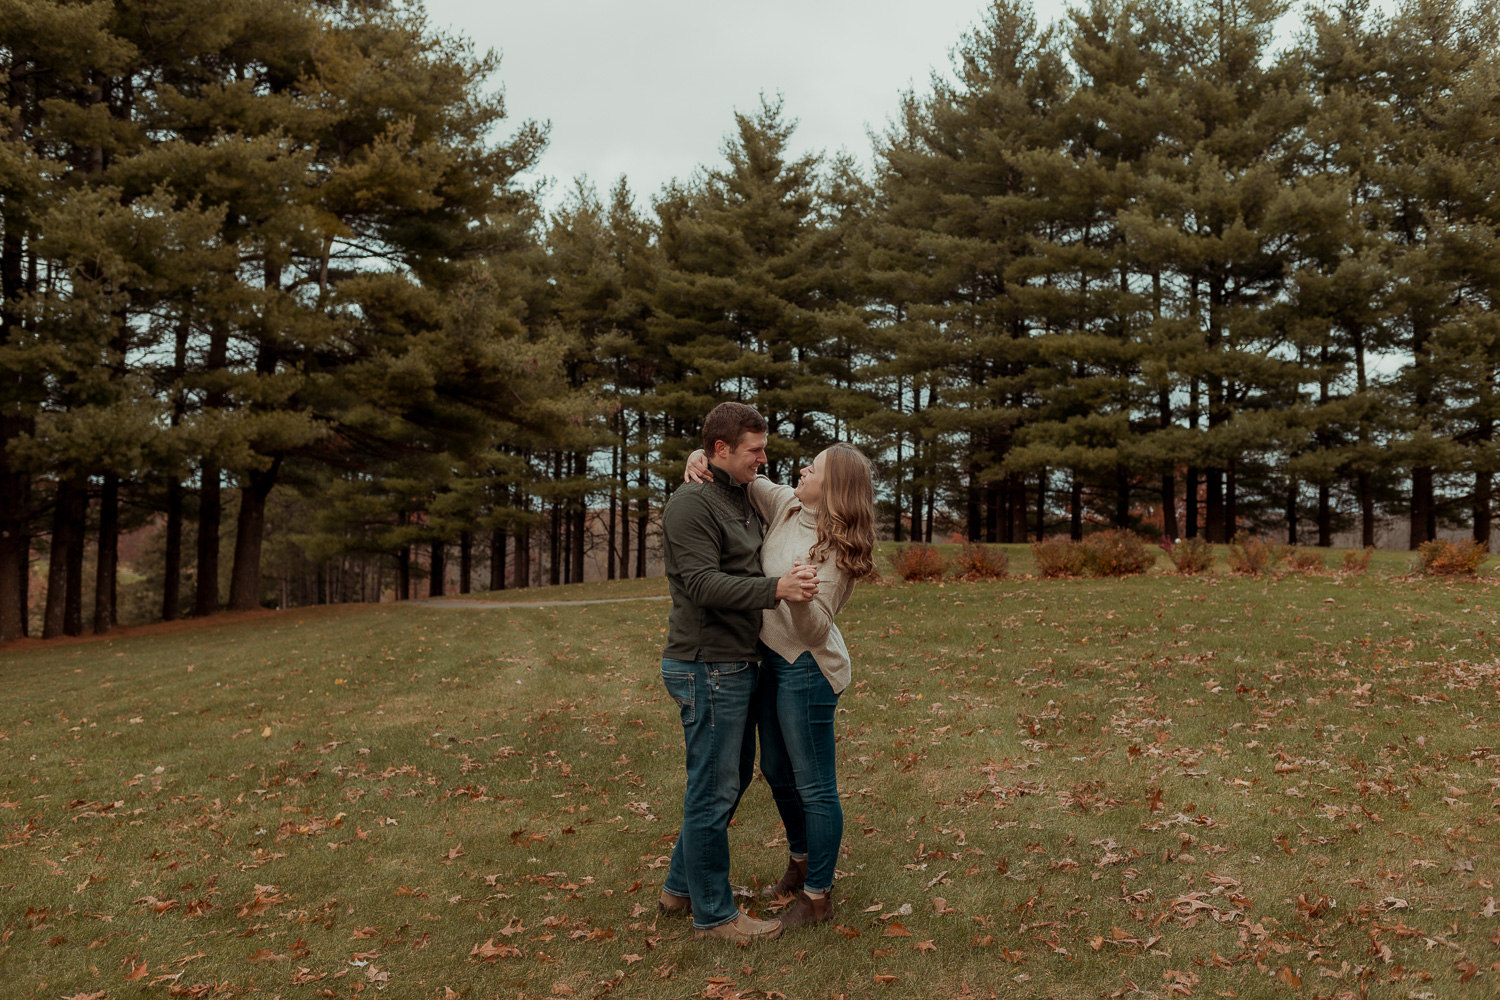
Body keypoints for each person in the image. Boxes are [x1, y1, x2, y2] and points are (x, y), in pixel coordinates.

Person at [685, 441, 877, 930]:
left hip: (808, 668)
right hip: (771, 659)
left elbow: (814, 631)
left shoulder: (837, 550)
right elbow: (745, 475)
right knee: (774, 768)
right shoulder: (787, 504)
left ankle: (817, 897)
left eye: (814, 468)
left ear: (833, 488)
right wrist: (699, 456)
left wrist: (798, 596)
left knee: (815, 785)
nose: (802, 470)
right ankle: (801, 862)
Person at [657, 401, 820, 944]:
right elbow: (702, 584)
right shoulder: (691, 504)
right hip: (706, 664)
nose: (764, 459)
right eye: (755, 450)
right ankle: (714, 916)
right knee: (713, 789)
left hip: (735, 662)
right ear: (723, 449)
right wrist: (778, 589)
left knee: (725, 782)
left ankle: (680, 888)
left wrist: (702, 455)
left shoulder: (737, 492)